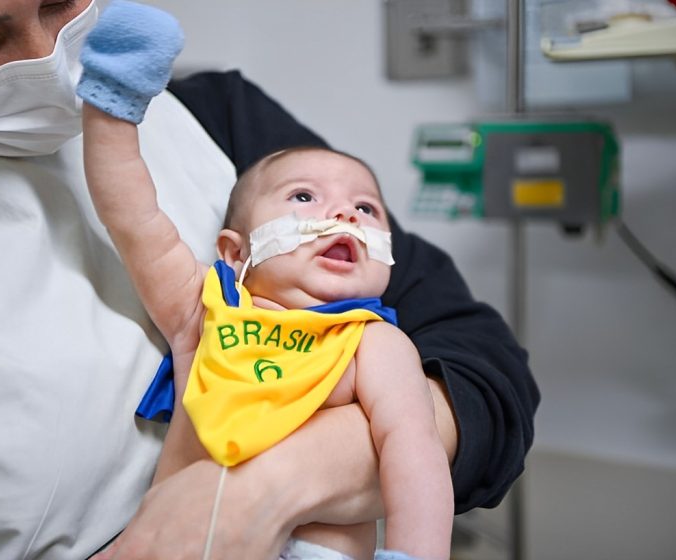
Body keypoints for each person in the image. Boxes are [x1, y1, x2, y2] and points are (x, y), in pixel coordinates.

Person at [0, 0, 539, 559]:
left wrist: (263, 492)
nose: (49, 63)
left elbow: (485, 376)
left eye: (60, 3)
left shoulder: (222, 121)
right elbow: (137, 222)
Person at [78, 5, 452, 558]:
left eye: (366, 208)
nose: (343, 214)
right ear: (234, 252)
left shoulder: (372, 343)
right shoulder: (202, 311)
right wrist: (112, 103)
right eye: (304, 197)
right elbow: (132, 217)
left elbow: (415, 452)